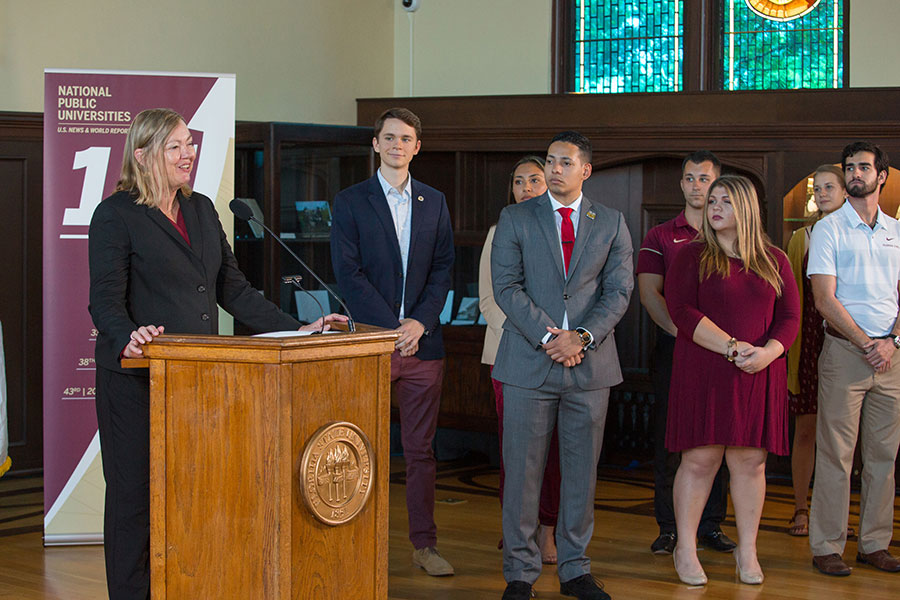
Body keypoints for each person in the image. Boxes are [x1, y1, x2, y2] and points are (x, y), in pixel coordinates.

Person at [88, 108, 347, 600]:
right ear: (142, 156)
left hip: (199, 380)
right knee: (135, 500)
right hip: (137, 382)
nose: (189, 153)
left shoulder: (202, 209)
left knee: (194, 493)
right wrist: (128, 335)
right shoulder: (115, 215)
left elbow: (236, 291)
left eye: (190, 143)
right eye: (175, 146)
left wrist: (298, 330)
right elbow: (104, 299)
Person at [492, 131, 633, 600]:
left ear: (585, 170)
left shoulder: (610, 222)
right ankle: (520, 573)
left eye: (564, 162)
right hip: (529, 364)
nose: (554, 169)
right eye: (550, 161)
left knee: (580, 474)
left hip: (589, 368)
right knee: (523, 473)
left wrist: (583, 338)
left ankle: (575, 569)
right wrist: (554, 338)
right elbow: (507, 287)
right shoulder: (515, 217)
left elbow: (618, 292)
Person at [330, 107, 455, 577]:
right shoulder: (350, 201)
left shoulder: (435, 201)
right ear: (376, 145)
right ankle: (356, 543)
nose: (397, 144)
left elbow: (444, 268)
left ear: (417, 147)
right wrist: (390, 328)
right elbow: (349, 274)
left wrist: (419, 323)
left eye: (406, 138)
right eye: (389, 137)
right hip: (371, 345)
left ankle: (424, 546)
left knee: (421, 452)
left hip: (423, 348)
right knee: (358, 448)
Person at [665, 175, 800, 586]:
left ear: (747, 208)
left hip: (758, 370)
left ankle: (748, 550)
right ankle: (685, 548)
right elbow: (680, 310)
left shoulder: (775, 258)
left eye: (725, 200)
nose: (715, 207)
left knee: (750, 462)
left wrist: (766, 353)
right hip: (705, 369)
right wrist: (731, 346)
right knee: (700, 459)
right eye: (712, 201)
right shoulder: (692, 256)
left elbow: (791, 317)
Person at [636, 151, 735, 556]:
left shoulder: (733, 233)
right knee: (672, 438)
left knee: (721, 437)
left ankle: (711, 525)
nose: (697, 186)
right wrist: (686, 333)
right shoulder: (661, 235)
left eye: (705, 179)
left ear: (718, 184)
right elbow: (649, 293)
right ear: (681, 184)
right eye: (690, 178)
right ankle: (670, 527)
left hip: (724, 353)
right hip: (676, 347)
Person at [808, 141, 900, 576]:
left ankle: (874, 544)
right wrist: (868, 343)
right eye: (850, 167)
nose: (856, 173)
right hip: (846, 353)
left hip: (892, 356)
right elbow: (824, 300)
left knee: (884, 455)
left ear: (882, 175)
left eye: (864, 167)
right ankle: (827, 546)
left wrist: (892, 343)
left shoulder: (897, 231)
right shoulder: (829, 228)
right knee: (836, 454)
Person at [478, 156, 560, 564]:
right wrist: (535, 337)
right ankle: (515, 532)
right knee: (517, 454)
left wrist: (554, 340)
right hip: (510, 356)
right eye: (518, 181)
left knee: (555, 455)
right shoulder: (500, 230)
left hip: (560, 357)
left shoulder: (564, 229)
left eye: (535, 180)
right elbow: (490, 302)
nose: (526, 187)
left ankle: (547, 531)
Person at [784, 164, 846, 537]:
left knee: (841, 435)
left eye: (828, 187)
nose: (821, 194)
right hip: (808, 342)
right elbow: (791, 299)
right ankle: (801, 508)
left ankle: (834, 514)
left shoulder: (858, 236)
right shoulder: (801, 237)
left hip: (848, 340)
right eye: (816, 188)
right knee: (806, 429)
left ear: (844, 192)